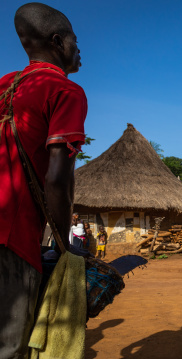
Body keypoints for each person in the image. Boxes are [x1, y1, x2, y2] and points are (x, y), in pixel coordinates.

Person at [0, 3, 87, 357]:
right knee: (11, 347)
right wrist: (64, 247)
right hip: (12, 239)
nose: (79, 50)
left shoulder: (5, 84)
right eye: (75, 41)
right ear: (57, 42)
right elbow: (56, 177)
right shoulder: (65, 91)